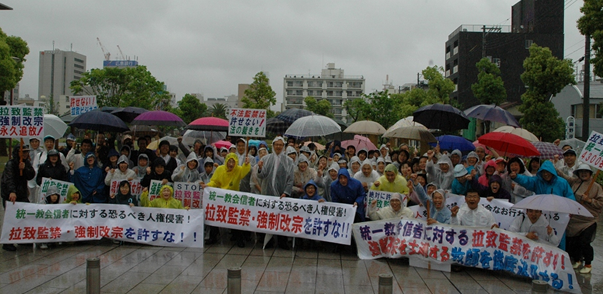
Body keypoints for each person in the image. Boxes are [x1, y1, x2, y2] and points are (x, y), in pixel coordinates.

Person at [203, 153, 251, 247]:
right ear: (226, 161)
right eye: (229, 161)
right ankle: (213, 237)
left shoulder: (238, 169)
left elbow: (245, 171)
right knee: (215, 216)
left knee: (235, 219)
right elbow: (214, 181)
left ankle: (239, 239)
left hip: (233, 199)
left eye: (233, 161)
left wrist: (246, 164)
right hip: (221, 198)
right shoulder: (220, 169)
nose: (231, 164)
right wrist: (207, 186)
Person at [562, 164, 603, 274]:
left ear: (590, 173)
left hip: (589, 220)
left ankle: (588, 263)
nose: (584, 174)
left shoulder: (596, 187)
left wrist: (589, 200)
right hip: (575, 219)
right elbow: (564, 177)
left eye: (586, 172)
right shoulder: (575, 183)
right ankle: (577, 259)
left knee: (585, 241)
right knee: (574, 241)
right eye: (581, 172)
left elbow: (600, 203)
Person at [256, 137, 295, 249]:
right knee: (268, 217)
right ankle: (268, 241)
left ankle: (282, 242)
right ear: (273, 146)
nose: (278, 147)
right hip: (267, 193)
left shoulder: (288, 161)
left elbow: (290, 179)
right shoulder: (266, 159)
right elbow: (261, 176)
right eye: (276, 144)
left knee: (281, 218)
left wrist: (286, 193)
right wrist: (260, 168)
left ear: (283, 146)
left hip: (281, 195)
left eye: (280, 145)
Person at [1, 144, 36, 251]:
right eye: (23, 152)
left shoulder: (26, 163)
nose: (25, 154)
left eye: (26, 152)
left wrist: (25, 169)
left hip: (22, 194)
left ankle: (22, 239)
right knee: (11, 219)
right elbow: (9, 179)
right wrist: (12, 191)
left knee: (24, 217)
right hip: (11, 194)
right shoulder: (10, 164)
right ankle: (7, 242)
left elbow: (31, 175)